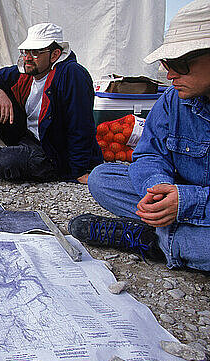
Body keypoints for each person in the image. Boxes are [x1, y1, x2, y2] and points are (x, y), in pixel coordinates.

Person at [69, 0, 210, 271]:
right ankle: (169, 233)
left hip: (195, 200)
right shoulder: (173, 101)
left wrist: (187, 202)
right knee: (101, 178)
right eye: (167, 63)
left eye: (180, 63)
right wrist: (157, 189)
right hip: (174, 192)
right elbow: (149, 154)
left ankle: (153, 239)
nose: (169, 74)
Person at [0, 23, 102, 183]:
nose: (27, 57)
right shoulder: (25, 73)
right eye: (26, 51)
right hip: (27, 137)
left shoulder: (72, 74)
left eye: (35, 53)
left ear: (55, 55)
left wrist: (79, 170)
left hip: (53, 152)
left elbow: (81, 124)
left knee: (9, 163)